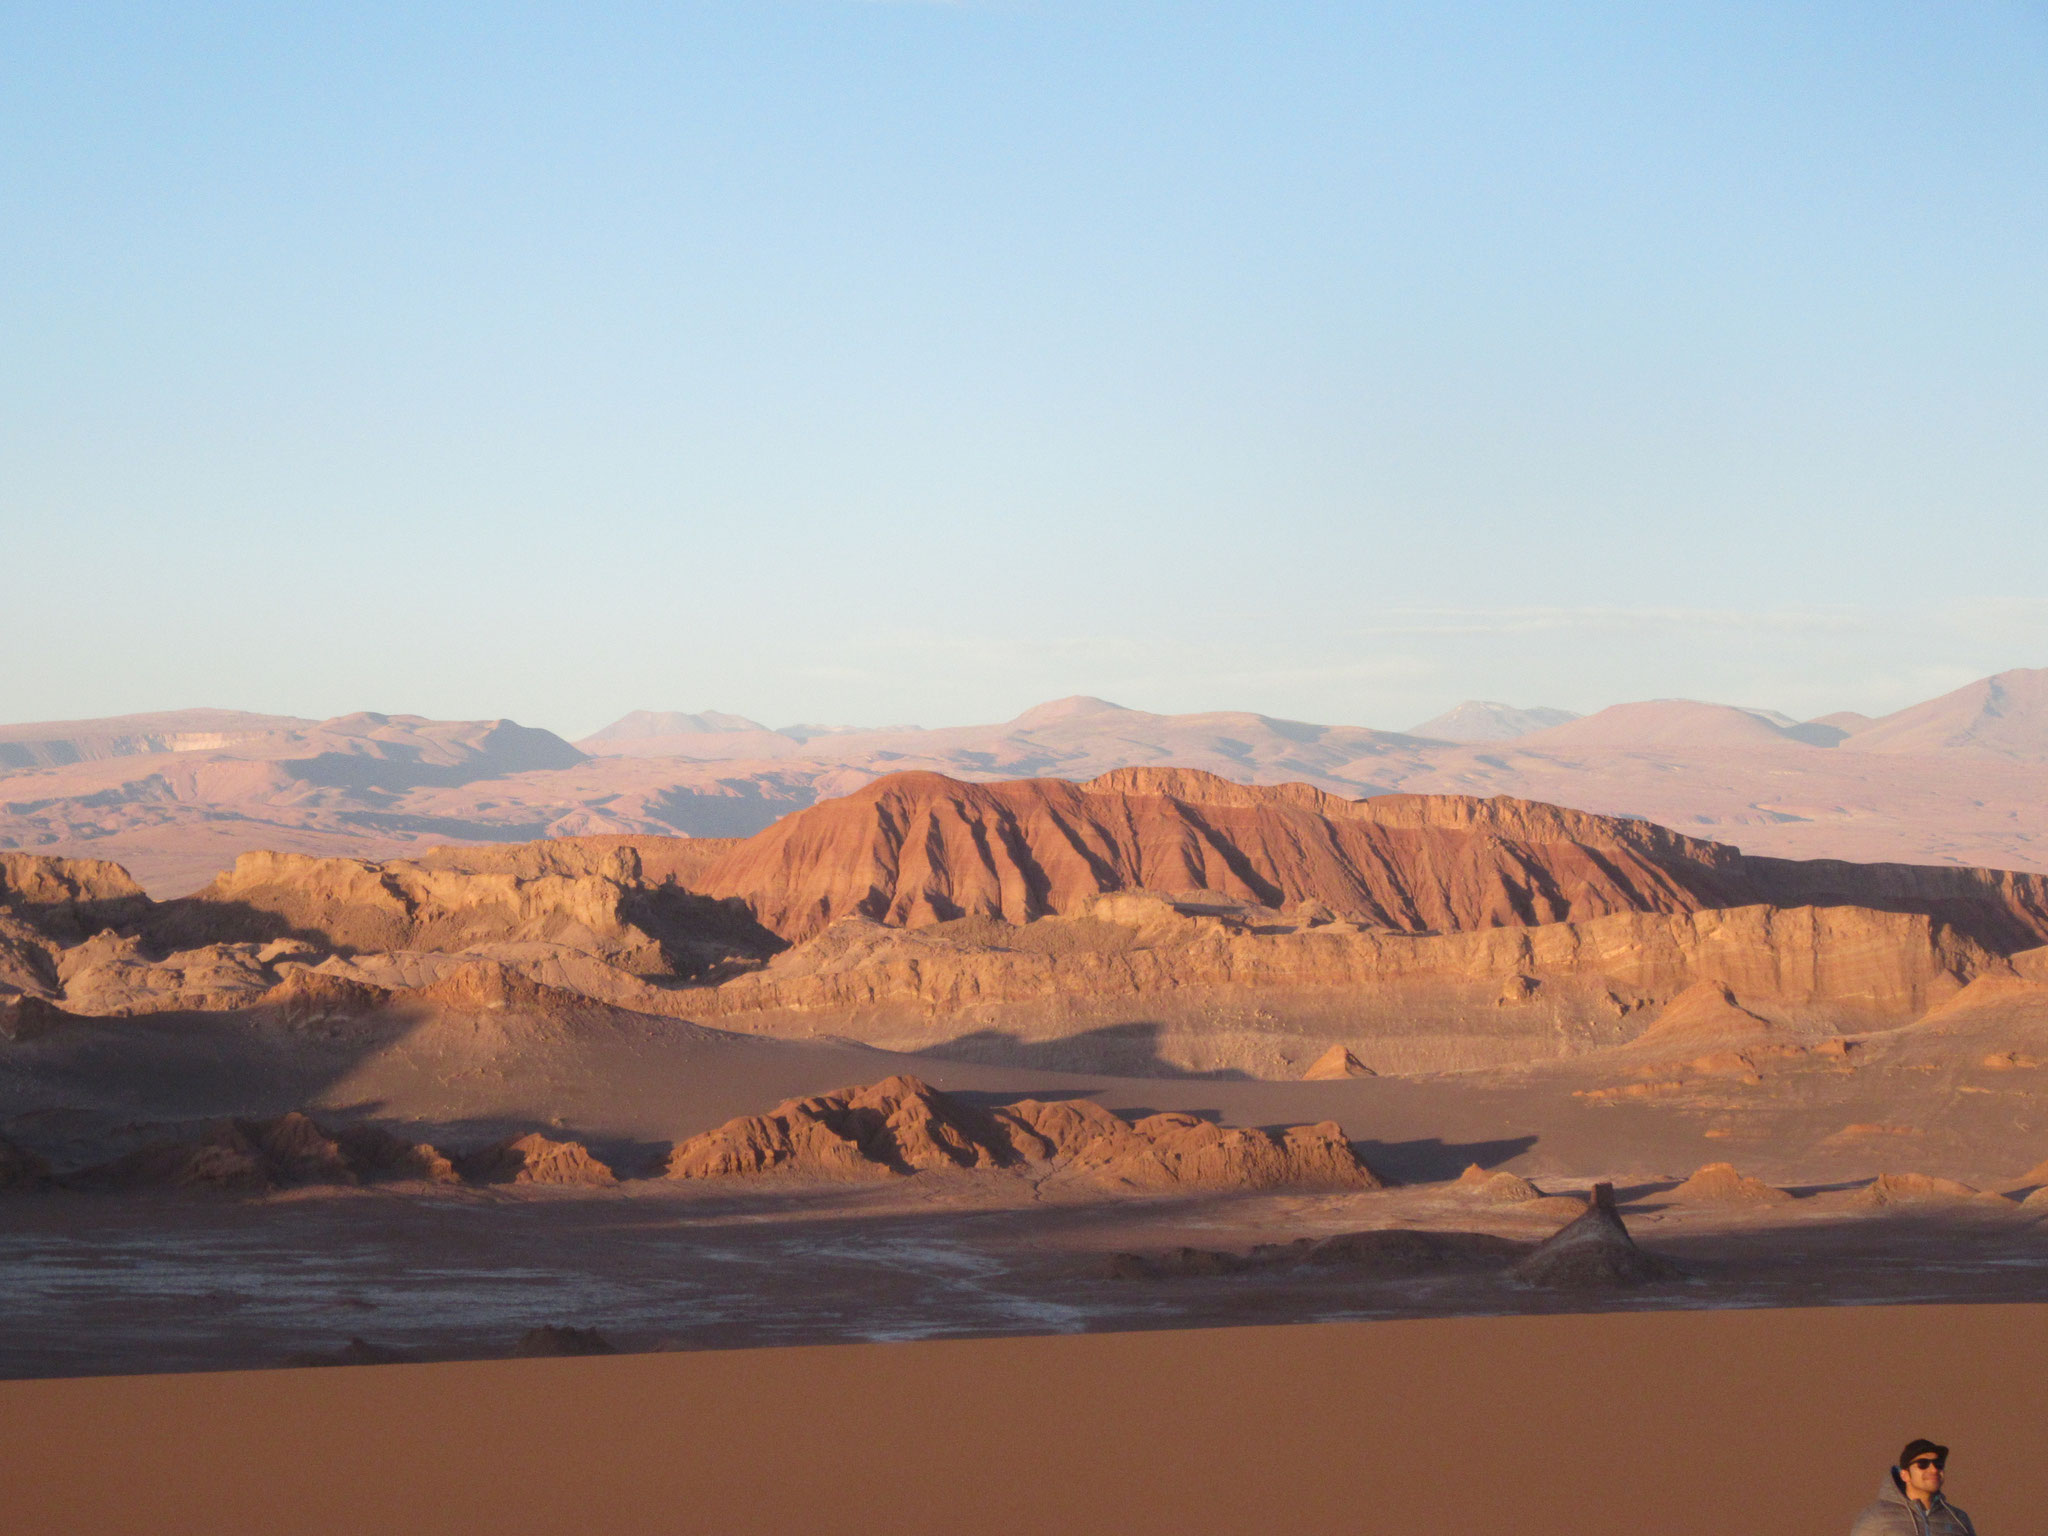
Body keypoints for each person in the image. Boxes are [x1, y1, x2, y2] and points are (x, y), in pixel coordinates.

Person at [1851, 1439, 1977, 1536]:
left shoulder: (1958, 1519)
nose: (1933, 1470)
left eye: (1938, 1464)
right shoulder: (1877, 1517)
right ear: (1905, 1475)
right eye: (1923, 1464)